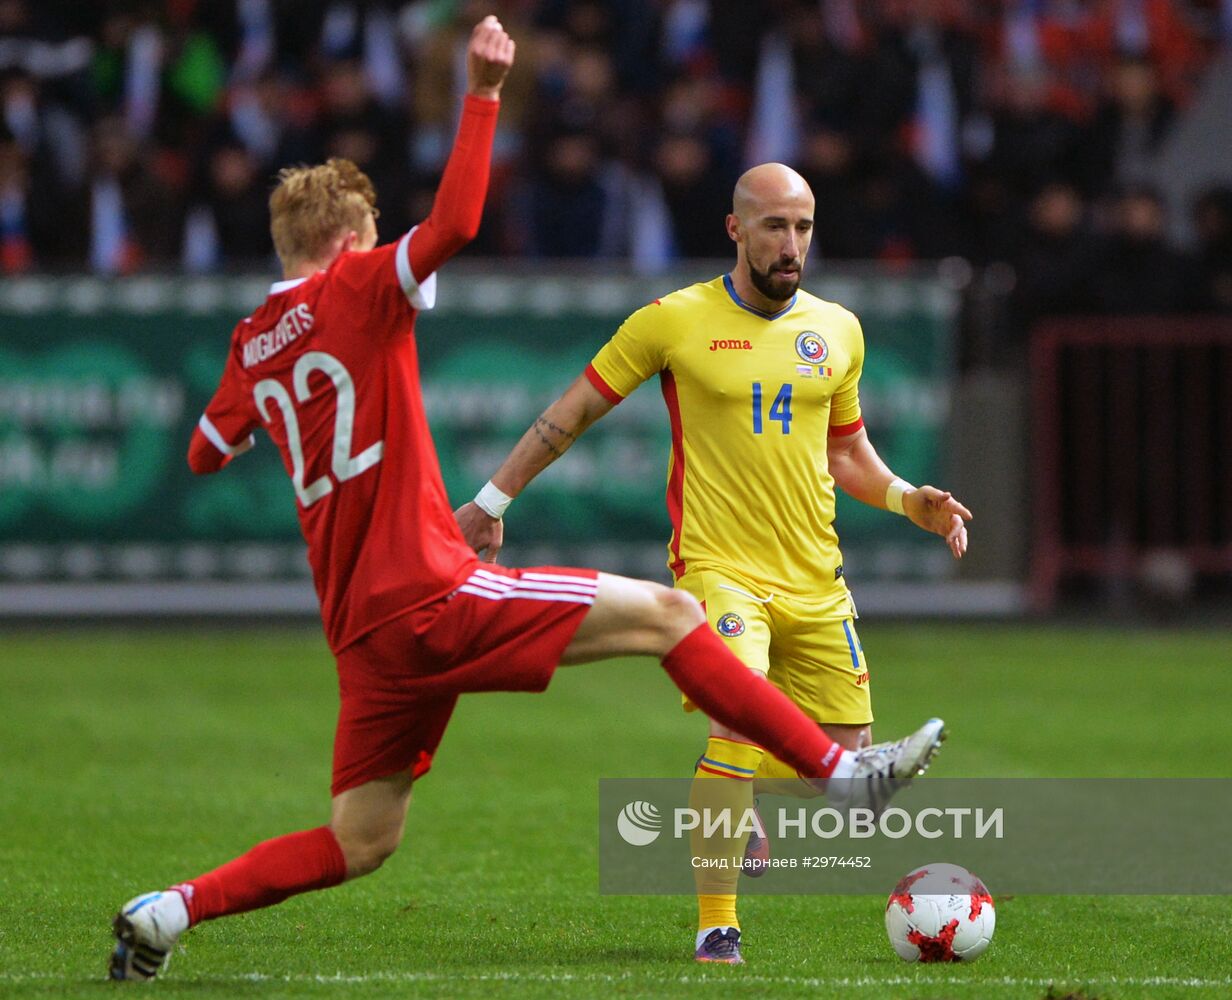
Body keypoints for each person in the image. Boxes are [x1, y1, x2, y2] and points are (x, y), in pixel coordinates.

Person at [107, 18, 942, 982]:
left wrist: (263, 406)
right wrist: (483, 95)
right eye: (373, 241)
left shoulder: (252, 339)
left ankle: (167, 912)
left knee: (361, 839)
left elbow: (207, 452)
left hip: (359, 631)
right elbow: (457, 224)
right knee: (671, 614)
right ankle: (844, 778)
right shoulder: (359, 285)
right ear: (347, 241)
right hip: (429, 591)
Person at [456, 161, 969, 964]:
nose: (790, 243)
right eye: (773, 226)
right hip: (718, 567)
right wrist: (491, 502)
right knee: (736, 724)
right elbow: (575, 410)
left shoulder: (838, 329)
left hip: (814, 576)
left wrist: (909, 500)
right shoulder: (671, 320)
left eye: (801, 226)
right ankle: (715, 925)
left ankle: (738, 794)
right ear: (735, 229)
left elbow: (849, 453)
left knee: (839, 759)